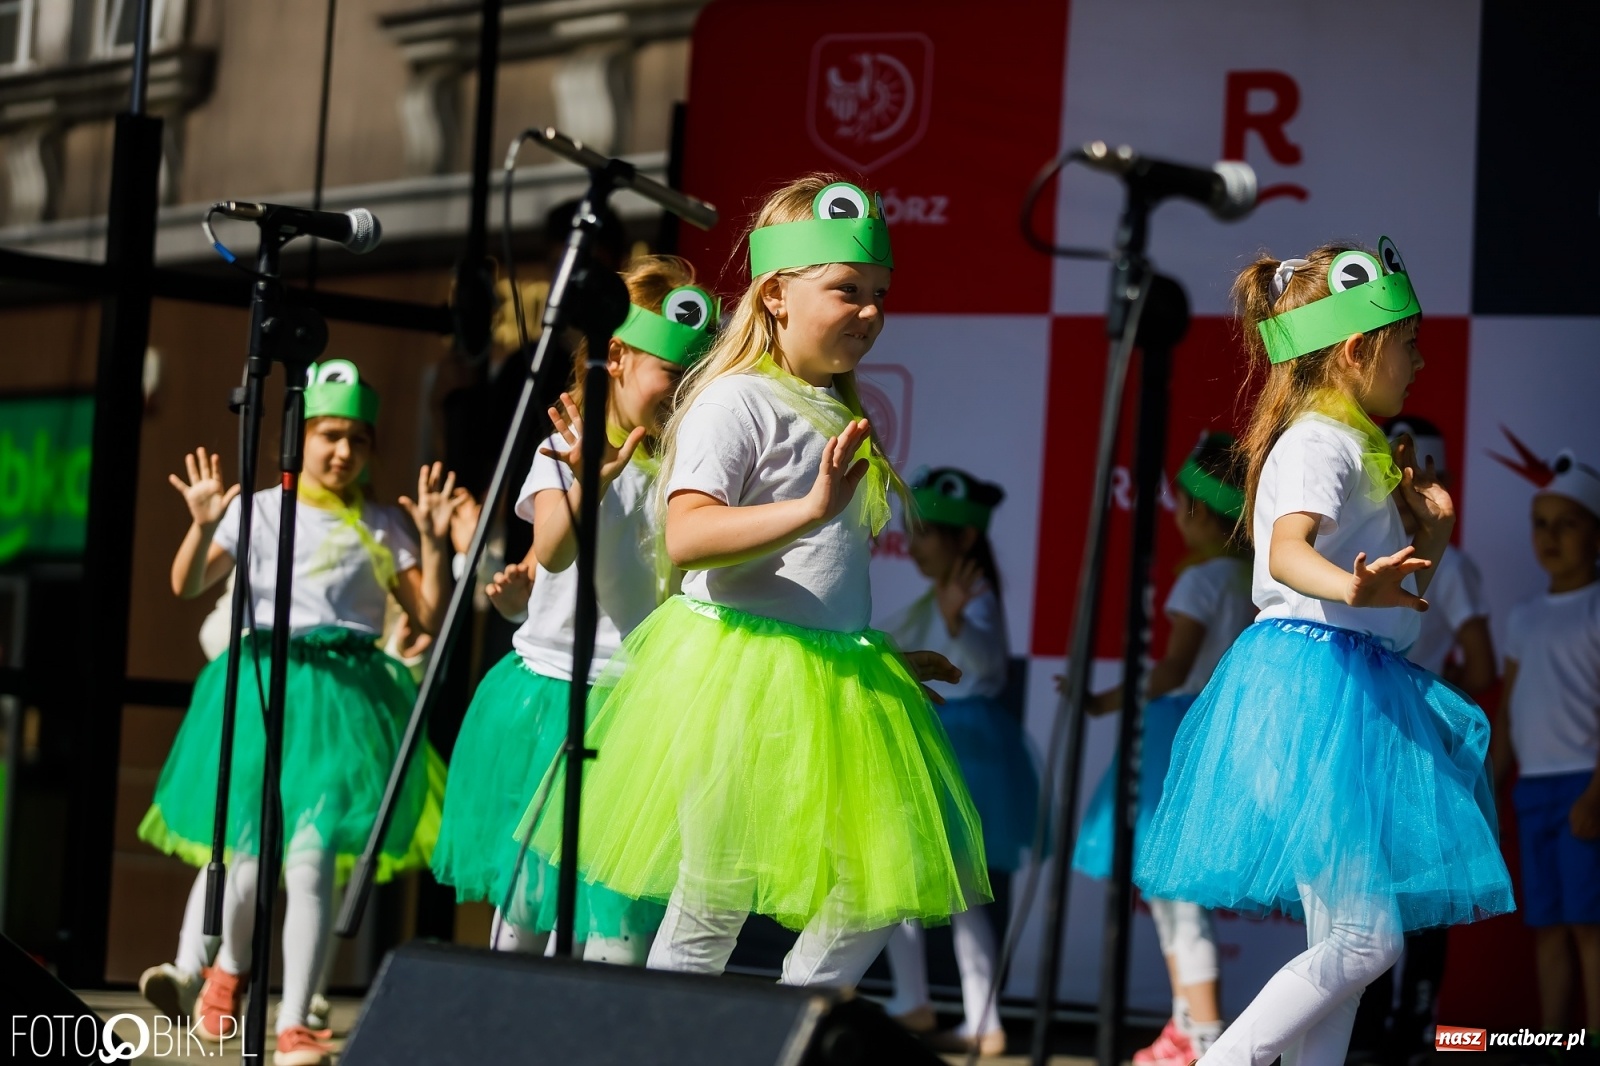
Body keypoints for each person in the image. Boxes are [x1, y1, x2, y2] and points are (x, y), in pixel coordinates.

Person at [521, 175, 988, 988]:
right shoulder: (734, 400)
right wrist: (810, 507)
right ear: (775, 295)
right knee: (713, 897)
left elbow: (817, 578)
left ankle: (781, 1034)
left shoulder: (836, 409)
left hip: (828, 676)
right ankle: (668, 1045)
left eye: (880, 293)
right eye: (848, 290)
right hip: (734, 678)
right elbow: (690, 532)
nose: (871, 311)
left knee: (875, 896)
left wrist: (877, 659)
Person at [1134, 240, 1513, 1066]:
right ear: (1355, 350)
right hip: (1310, 690)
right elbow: (1285, 551)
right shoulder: (1318, 441)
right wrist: (1348, 588)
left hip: (1352, 691)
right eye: (1407, 342)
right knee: (1365, 942)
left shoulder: (1363, 445)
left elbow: (1401, 612)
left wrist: (1432, 537)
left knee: (1344, 950)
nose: (1419, 359)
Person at [137, 361, 464, 1066]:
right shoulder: (255, 511)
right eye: (329, 435)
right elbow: (187, 581)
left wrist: (433, 544)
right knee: (246, 851)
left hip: (343, 703)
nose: (343, 451)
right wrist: (201, 525)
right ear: (301, 438)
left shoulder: (382, 523)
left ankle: (294, 1019)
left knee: (312, 863)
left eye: (357, 439)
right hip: (263, 688)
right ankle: (206, 974)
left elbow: (428, 613)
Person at [431, 255, 716, 963]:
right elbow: (553, 551)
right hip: (550, 697)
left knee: (616, 903)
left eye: (692, 381)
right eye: (670, 375)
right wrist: (590, 475)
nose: (680, 396)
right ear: (616, 357)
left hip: (638, 705)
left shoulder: (687, 469)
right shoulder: (561, 448)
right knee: (530, 896)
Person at [1072, 431, 1254, 1065]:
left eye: (1181, 506)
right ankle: (1186, 1027)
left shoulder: (1201, 582)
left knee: (1178, 894)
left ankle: (1203, 1036)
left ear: (1199, 512)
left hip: (1182, 738)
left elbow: (1174, 668)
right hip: (1224, 737)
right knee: (1176, 892)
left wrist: (1103, 701)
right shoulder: (1248, 579)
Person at [1348, 417, 1497, 1065]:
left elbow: (1483, 663)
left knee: (1422, 883)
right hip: (1362, 731)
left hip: (1416, 740)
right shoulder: (1366, 545)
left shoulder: (1450, 562)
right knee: (1371, 882)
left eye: (1419, 470)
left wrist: (1431, 695)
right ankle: (1372, 1026)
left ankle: (1408, 1027)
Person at [880, 467, 1038, 1056]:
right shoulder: (943, 595)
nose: (913, 544)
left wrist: (953, 619)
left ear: (964, 540)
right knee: (906, 879)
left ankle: (980, 1017)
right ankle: (919, 1000)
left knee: (959, 888)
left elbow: (986, 664)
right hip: (938, 739)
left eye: (926, 533)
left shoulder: (972, 594)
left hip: (962, 746)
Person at [1491, 452, 1600, 1032]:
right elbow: (1509, 712)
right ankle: (1555, 1042)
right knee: (1547, 927)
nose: (1551, 537)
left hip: (1585, 789)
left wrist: (1595, 794)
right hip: (1532, 795)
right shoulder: (1525, 617)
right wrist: (1490, 789)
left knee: (1589, 928)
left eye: (1569, 523)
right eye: (1541, 524)